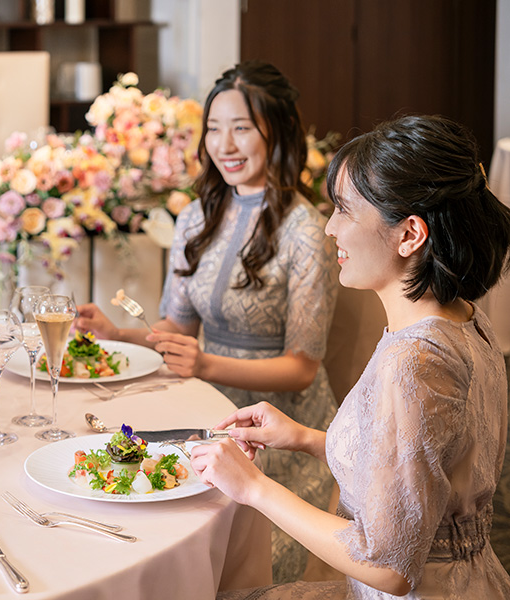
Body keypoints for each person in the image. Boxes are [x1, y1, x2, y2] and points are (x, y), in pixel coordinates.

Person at [198, 115, 510, 599]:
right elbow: (423, 472)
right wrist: (303, 438)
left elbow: (388, 565)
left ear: (409, 235)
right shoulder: (466, 319)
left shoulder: (415, 362)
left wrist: (254, 488)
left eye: (343, 210)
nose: (329, 228)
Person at [75, 61, 339, 582]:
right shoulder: (197, 215)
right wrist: (119, 334)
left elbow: (302, 369)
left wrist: (207, 363)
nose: (225, 144)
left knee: (226, 566)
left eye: (242, 127)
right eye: (215, 129)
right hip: (203, 413)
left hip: (279, 433)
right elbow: (178, 328)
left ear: (278, 132)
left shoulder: (306, 230)